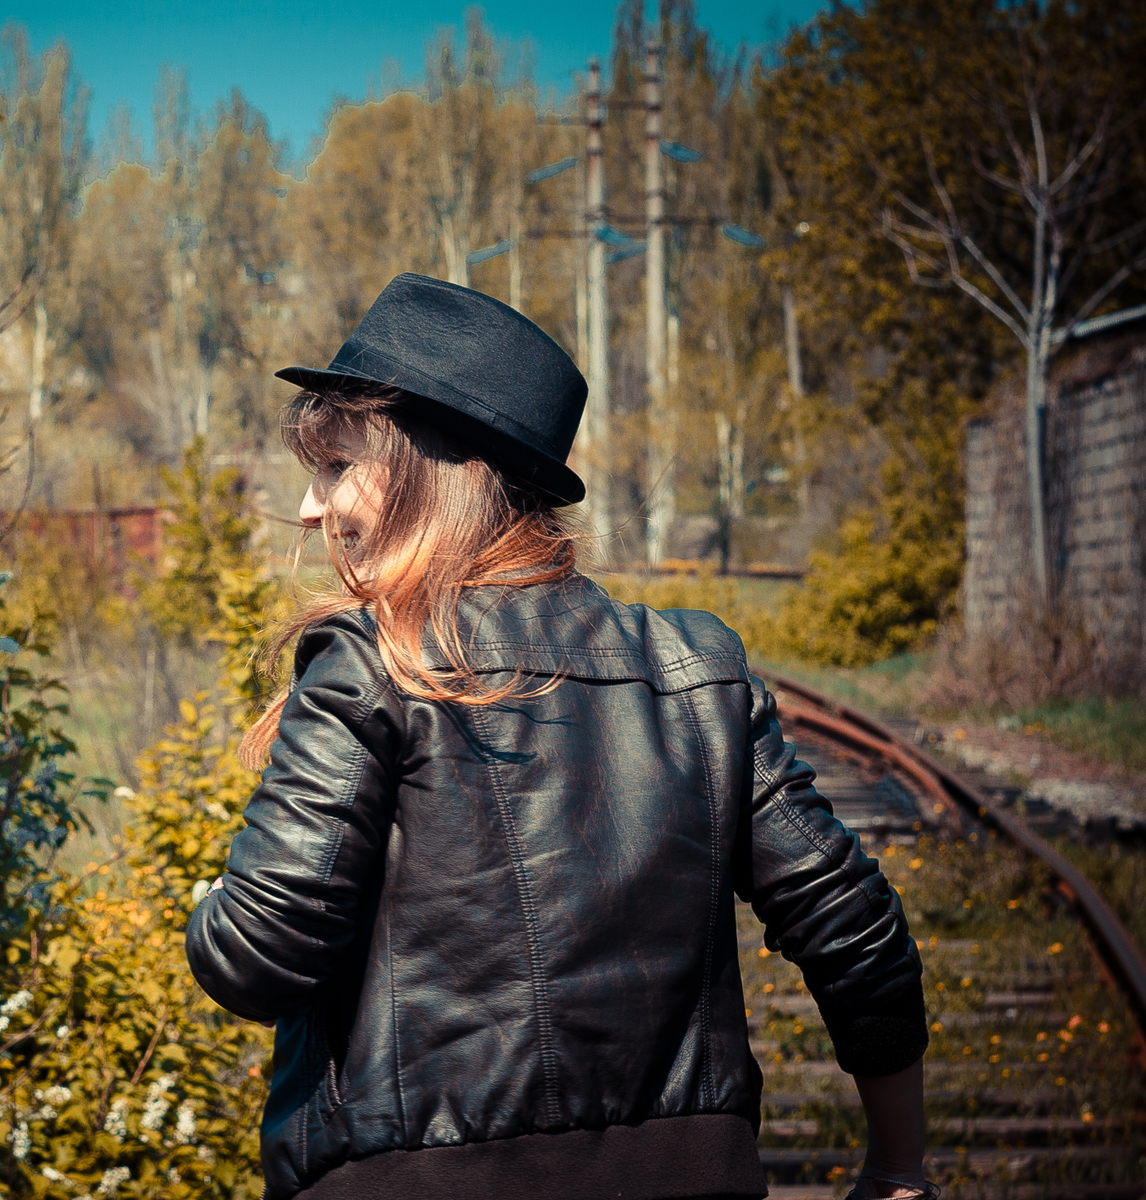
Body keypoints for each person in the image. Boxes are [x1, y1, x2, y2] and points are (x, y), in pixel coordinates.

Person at [183, 273, 932, 1200]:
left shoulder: (371, 660)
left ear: (424, 474)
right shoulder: (699, 670)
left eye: (336, 467)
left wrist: (212, 904)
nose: (309, 506)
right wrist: (898, 1168)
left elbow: (259, 956)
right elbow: (855, 928)